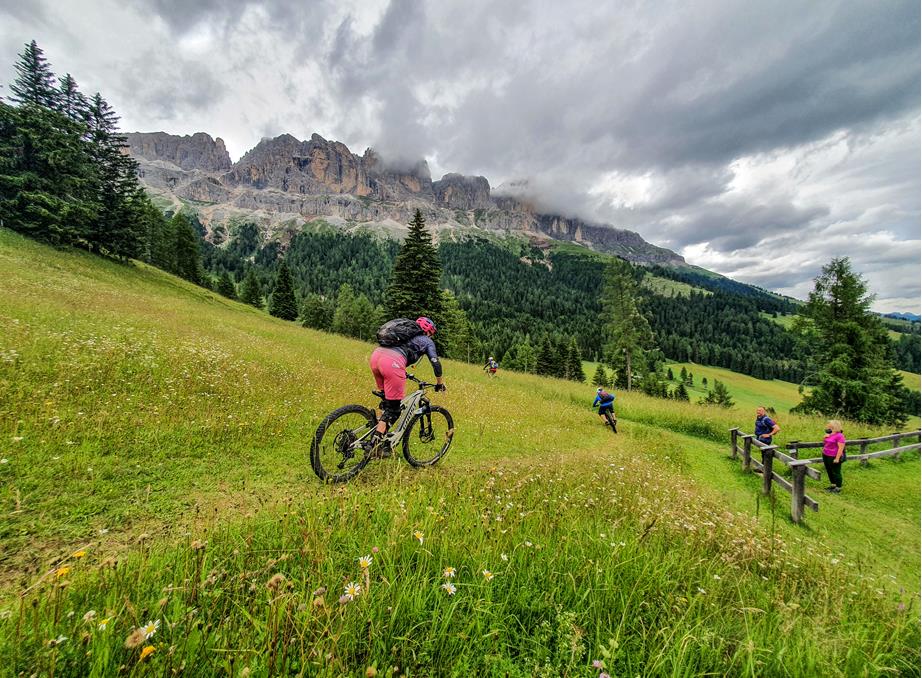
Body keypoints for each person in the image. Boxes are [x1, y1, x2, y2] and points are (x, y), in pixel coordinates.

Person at [369, 317, 446, 455]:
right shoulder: (427, 341)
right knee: (394, 410)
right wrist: (439, 383)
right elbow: (435, 362)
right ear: (428, 332)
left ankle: (378, 426)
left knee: (387, 401)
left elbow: (401, 350)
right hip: (392, 363)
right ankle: (376, 446)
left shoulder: (403, 335)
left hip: (376, 356)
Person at [822, 420, 846, 493]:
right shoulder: (829, 433)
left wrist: (837, 458)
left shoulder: (840, 436)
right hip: (825, 454)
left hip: (833, 456)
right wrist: (824, 437)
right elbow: (825, 443)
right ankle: (833, 485)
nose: (828, 425)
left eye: (829, 424)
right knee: (829, 470)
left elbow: (841, 448)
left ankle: (838, 488)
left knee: (836, 471)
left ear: (833, 426)